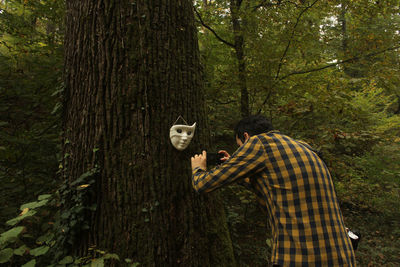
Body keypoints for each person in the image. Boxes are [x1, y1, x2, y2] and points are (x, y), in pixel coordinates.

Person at [191, 115, 356, 267]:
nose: (240, 151)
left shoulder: (258, 143)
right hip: (342, 255)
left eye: (240, 147)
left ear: (246, 137)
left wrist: (198, 169)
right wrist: (235, 167)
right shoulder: (304, 147)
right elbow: (277, 185)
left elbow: (203, 185)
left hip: (298, 258)